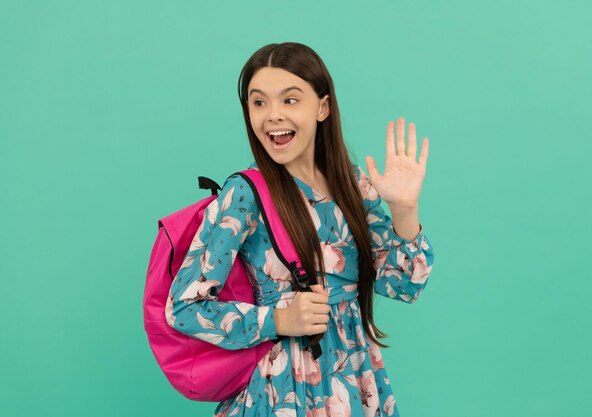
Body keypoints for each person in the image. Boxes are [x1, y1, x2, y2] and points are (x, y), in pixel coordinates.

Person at [165, 42, 435, 417]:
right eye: (259, 103)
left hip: (354, 379)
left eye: (290, 100)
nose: (273, 116)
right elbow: (183, 306)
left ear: (322, 107)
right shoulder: (245, 194)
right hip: (282, 388)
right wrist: (278, 319)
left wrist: (405, 210)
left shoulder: (354, 185)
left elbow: (403, 285)